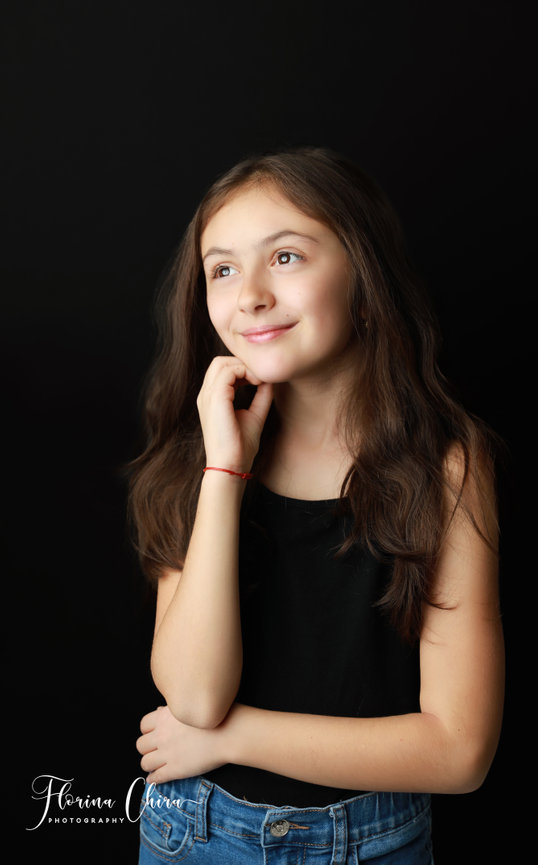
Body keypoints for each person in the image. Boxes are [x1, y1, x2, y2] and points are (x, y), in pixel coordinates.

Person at [128, 147, 504, 864]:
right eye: (222, 269)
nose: (250, 296)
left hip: (374, 842)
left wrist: (234, 738)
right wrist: (224, 470)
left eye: (286, 257)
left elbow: (459, 752)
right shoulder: (193, 456)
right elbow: (195, 698)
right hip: (194, 834)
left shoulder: (446, 470)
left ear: (363, 276)